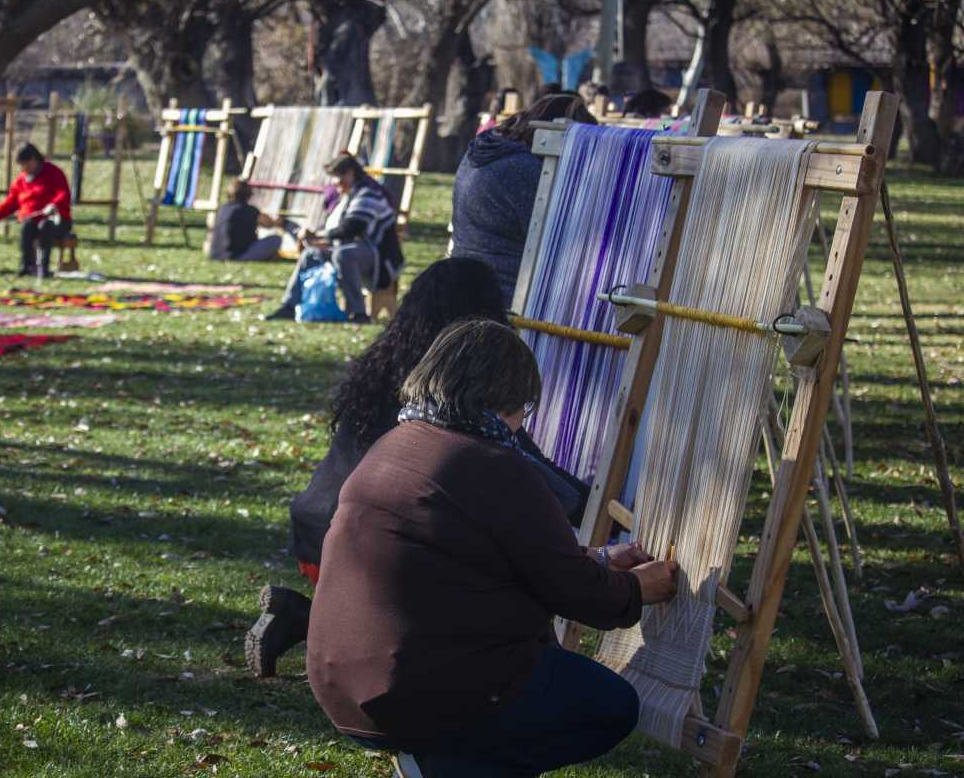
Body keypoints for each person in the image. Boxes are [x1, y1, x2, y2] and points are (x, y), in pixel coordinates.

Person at [307, 319, 678, 778]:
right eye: (524, 406)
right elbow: (579, 595)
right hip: (411, 690)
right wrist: (637, 588)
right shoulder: (492, 466)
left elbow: (483, 557)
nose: (524, 420)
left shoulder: (396, 444)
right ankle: (449, 763)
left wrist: (599, 559)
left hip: (343, 682)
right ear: (503, 397)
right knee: (608, 705)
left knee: (542, 680)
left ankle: (448, 757)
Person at [246, 259, 591, 678]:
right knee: (478, 578)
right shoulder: (458, 392)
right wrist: (594, 505)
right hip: (363, 554)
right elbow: (527, 466)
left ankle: (299, 615)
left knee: (396, 595)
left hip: (319, 538)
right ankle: (546, 671)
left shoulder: (384, 368)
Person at [450, 94, 597, 306]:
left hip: (464, 281)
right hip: (504, 296)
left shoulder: (484, 151)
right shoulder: (523, 169)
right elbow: (556, 243)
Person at [265, 154, 395, 324]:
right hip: (353, 248)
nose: (334, 182)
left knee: (343, 255)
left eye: (337, 177)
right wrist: (316, 240)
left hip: (380, 256)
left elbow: (351, 228)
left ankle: (359, 313)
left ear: (349, 174)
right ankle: (289, 306)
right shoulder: (349, 195)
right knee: (311, 254)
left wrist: (316, 235)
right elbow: (337, 231)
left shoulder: (368, 194)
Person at [0, 144, 72, 278]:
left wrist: (54, 205)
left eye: (25, 164)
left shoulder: (54, 172)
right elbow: (9, 204)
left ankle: (43, 268)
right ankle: (26, 266)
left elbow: (64, 193)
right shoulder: (21, 180)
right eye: (21, 165)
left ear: (34, 159)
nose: (23, 168)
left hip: (57, 221)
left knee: (45, 225)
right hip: (31, 221)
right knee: (27, 226)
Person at [204, 179, 292, 261]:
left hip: (216, 255)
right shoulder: (250, 210)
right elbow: (269, 224)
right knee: (276, 239)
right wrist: (280, 221)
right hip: (237, 256)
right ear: (248, 195)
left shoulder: (222, 209)